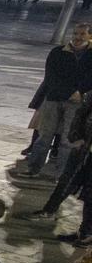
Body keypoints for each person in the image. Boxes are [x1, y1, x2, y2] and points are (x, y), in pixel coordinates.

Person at [17, 24, 91, 178]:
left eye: (82, 34)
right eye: (75, 33)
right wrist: (70, 92)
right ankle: (34, 168)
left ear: (89, 36)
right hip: (54, 98)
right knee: (44, 135)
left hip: (77, 103)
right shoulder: (58, 52)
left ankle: (61, 174)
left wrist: (80, 92)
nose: (78, 37)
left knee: (67, 140)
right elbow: (51, 77)